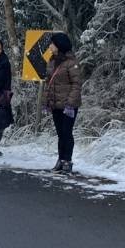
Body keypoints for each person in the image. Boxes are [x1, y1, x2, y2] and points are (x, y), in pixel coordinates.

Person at [40, 34, 84, 174]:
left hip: (68, 105)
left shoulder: (71, 62)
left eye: (52, 44)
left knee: (67, 132)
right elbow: (49, 83)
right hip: (56, 104)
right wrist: (46, 101)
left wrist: (70, 104)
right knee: (60, 133)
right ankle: (60, 160)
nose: (50, 46)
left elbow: (76, 84)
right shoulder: (52, 61)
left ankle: (67, 161)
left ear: (59, 45)